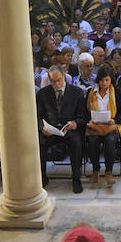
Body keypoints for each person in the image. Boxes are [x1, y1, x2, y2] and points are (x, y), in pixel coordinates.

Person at [38, 65, 88, 193]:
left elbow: (83, 116)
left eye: (59, 80)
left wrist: (75, 123)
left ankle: (76, 179)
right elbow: (38, 116)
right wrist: (42, 127)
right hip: (51, 130)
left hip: (69, 129)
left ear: (64, 77)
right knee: (39, 143)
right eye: (53, 81)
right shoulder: (43, 93)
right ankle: (42, 177)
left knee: (76, 143)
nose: (56, 84)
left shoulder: (77, 92)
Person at [85, 66, 121, 187]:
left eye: (107, 80)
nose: (104, 83)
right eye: (102, 80)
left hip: (110, 126)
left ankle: (109, 171)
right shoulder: (91, 93)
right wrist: (90, 121)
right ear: (98, 80)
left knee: (110, 141)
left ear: (111, 80)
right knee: (93, 141)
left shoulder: (118, 92)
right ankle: (96, 170)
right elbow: (85, 112)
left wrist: (115, 120)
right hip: (95, 126)